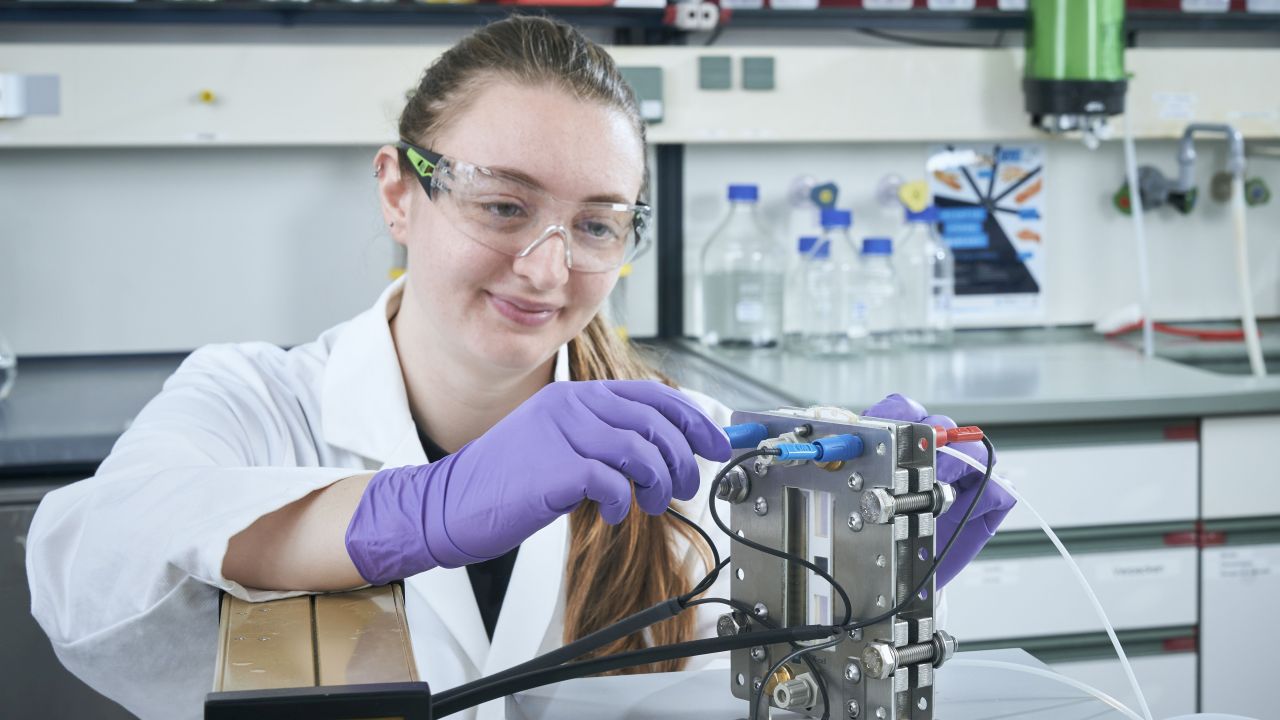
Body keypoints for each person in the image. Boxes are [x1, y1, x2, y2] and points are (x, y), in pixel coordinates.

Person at [24, 16, 1013, 720]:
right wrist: (419, 510)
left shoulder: (683, 451)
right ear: (398, 193)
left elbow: (759, 695)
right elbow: (82, 569)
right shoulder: (257, 399)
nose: (546, 269)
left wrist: (860, 588)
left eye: (597, 225)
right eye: (502, 206)